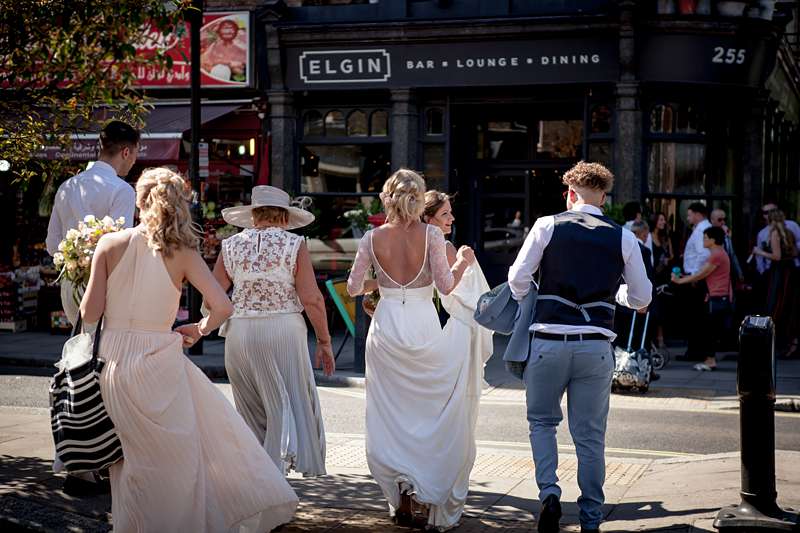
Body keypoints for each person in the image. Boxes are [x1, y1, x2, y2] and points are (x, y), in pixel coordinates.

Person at [80, 168, 298, 531]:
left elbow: (89, 312)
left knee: (127, 459)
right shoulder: (182, 253)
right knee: (177, 461)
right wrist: (196, 331)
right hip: (158, 360)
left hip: (113, 362)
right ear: (179, 205)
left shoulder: (109, 244)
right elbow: (223, 307)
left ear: (140, 200)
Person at [508, 161, 651, 533]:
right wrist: (616, 294)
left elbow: (516, 278)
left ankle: (550, 494)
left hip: (548, 342)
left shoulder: (547, 225)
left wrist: (532, 298)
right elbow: (641, 297)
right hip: (595, 348)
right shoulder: (623, 236)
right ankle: (590, 517)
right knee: (590, 436)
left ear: (570, 194)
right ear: (603, 197)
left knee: (541, 422)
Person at [347, 169, 477, 531]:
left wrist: (383, 282)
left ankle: (402, 496)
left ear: (386, 199)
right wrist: (463, 262)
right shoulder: (432, 234)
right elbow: (446, 286)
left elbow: (354, 288)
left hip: (386, 327)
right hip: (421, 324)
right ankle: (423, 494)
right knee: (426, 413)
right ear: (419, 200)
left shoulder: (372, 238)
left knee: (392, 416)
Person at [212, 185, 333, 476]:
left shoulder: (230, 246)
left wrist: (208, 323)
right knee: (285, 405)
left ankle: (258, 482)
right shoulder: (294, 244)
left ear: (254, 215)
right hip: (282, 329)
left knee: (252, 413)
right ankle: (275, 484)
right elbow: (312, 299)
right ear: (284, 216)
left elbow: (213, 293)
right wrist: (325, 341)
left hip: (239, 332)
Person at [421, 190, 494, 525]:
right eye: (445, 214)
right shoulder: (445, 247)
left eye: (451, 213)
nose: (451, 219)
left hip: (438, 331)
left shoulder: (416, 244)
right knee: (460, 413)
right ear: (429, 217)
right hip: (460, 333)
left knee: (443, 410)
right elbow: (457, 294)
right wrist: (467, 261)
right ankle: (446, 487)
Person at [46, 120, 140, 324]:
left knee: (82, 346)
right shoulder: (122, 190)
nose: (134, 160)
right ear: (126, 152)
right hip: (104, 286)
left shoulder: (67, 186)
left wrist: (74, 260)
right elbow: (120, 247)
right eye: (135, 153)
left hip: (69, 284)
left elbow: (52, 244)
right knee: (104, 350)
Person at [672, 226, 732, 371]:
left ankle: (710, 361)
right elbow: (702, 273)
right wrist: (684, 277)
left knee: (710, 331)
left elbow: (701, 274)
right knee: (709, 329)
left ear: (712, 240)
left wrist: (680, 281)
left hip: (717, 298)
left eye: (705, 238)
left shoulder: (716, 254)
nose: (703, 240)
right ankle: (708, 359)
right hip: (716, 297)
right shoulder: (717, 253)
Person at [752, 209, 799, 358]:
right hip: (789, 271)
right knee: (786, 305)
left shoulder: (774, 234)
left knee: (774, 304)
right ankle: (786, 342)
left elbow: (776, 257)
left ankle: (772, 342)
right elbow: (795, 253)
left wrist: (759, 252)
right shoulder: (789, 232)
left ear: (770, 221)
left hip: (779, 272)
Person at [680, 202, 712, 360]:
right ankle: (694, 350)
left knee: (695, 316)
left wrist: (694, 275)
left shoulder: (702, 230)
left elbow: (703, 255)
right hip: (695, 277)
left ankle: (695, 352)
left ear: (698, 214)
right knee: (695, 316)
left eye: (690, 214)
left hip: (696, 279)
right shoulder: (701, 229)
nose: (688, 217)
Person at [649, 212, 674, 348]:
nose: (663, 222)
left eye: (664, 220)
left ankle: (661, 338)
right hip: (654, 276)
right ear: (655, 221)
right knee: (654, 308)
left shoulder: (665, 238)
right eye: (661, 220)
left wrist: (667, 260)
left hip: (664, 276)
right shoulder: (649, 236)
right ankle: (653, 338)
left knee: (662, 309)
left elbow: (672, 255)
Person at [710, 209, 744, 286]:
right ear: (712, 221)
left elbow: (732, 254)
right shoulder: (708, 235)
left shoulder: (726, 234)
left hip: (727, 275)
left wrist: (739, 272)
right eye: (720, 220)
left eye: (725, 219)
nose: (723, 222)